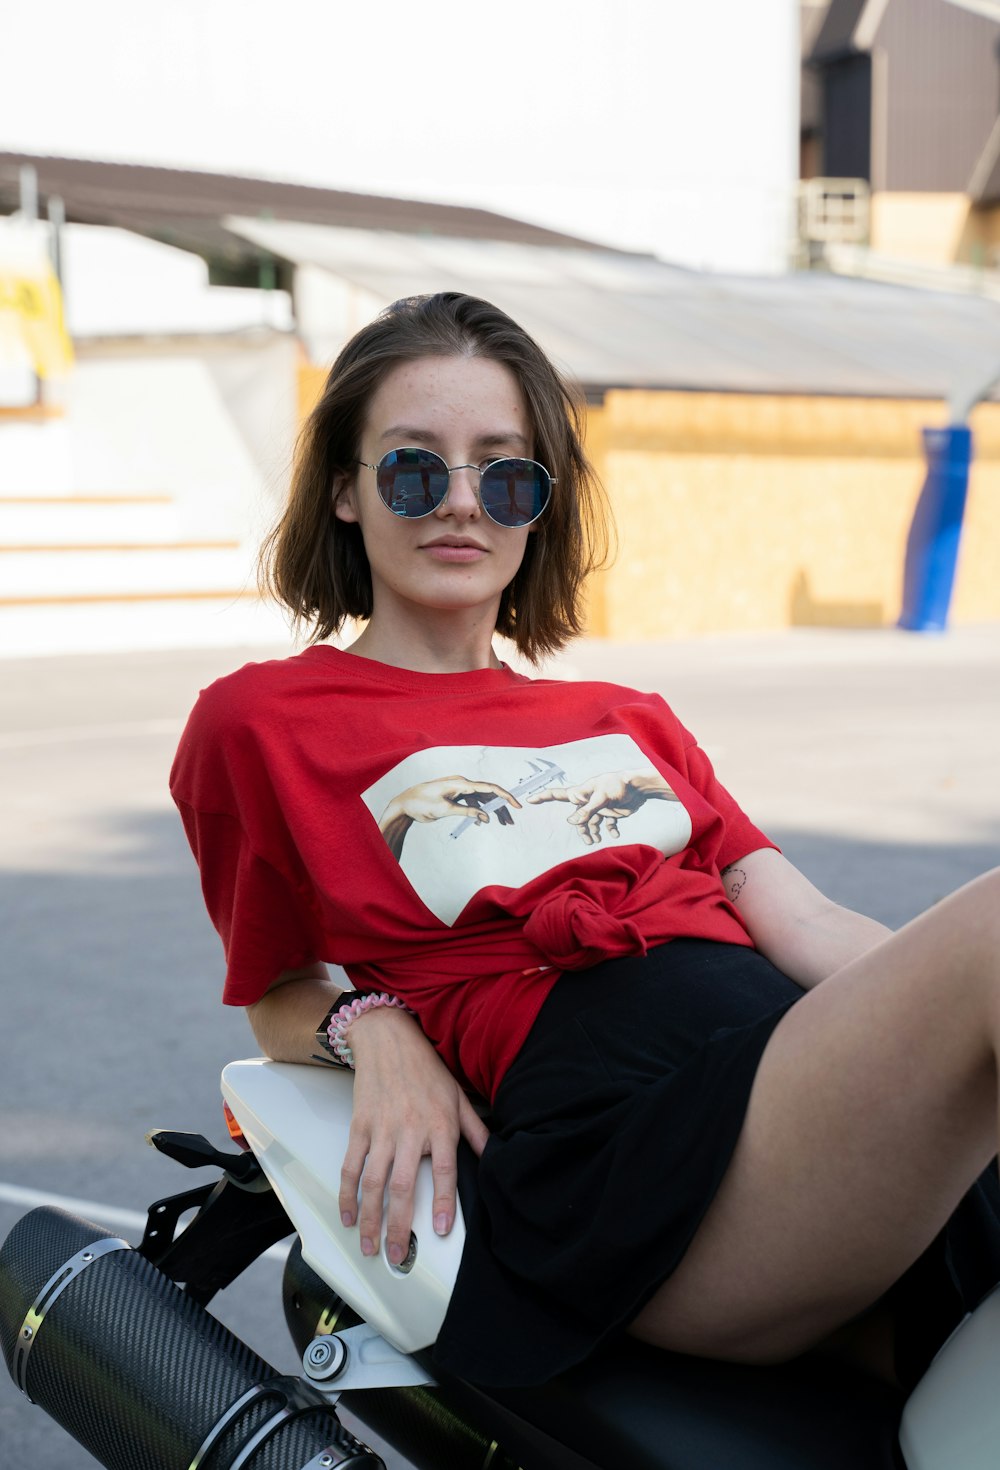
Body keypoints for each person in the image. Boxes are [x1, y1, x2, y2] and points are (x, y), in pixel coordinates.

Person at [170, 291, 1000, 1392]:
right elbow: (274, 995)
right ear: (343, 490)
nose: (462, 505)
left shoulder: (630, 717)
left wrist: (927, 1021)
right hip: (631, 1170)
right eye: (416, 468)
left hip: (806, 1101)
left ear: (537, 505)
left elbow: (806, 926)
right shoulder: (261, 722)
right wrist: (376, 1027)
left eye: (504, 474)